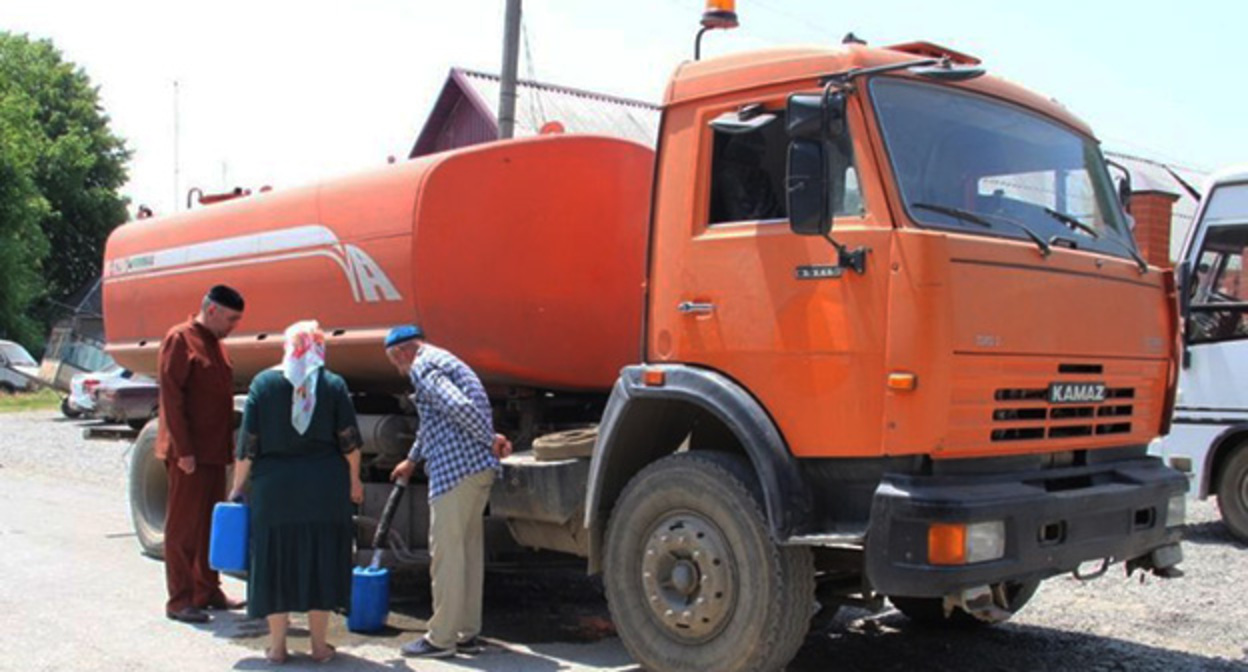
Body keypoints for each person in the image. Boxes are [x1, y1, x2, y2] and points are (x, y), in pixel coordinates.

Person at [228, 321, 364, 664]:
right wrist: (355, 481)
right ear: (319, 348)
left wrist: (236, 487)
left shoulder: (264, 383)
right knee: (323, 558)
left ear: (288, 347)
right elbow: (349, 442)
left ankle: (277, 648)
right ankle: (320, 647)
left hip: (275, 491)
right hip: (324, 489)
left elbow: (247, 447)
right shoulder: (333, 385)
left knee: (274, 561)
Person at [384, 325, 512, 659]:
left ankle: (441, 639)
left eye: (396, 364)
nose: (400, 371)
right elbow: (433, 420)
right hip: (474, 471)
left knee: (446, 556)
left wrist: (490, 438)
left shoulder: (424, 366)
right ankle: (466, 632)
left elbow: (459, 407)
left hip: (456, 473)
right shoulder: (444, 360)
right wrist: (411, 461)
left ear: (402, 353)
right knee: (467, 554)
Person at [158, 284, 247, 624]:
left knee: (209, 525)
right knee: (183, 528)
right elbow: (172, 398)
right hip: (189, 454)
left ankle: (207, 589)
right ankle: (180, 600)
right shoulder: (180, 339)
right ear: (212, 310)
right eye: (231, 318)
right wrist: (183, 450)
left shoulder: (217, 345)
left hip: (213, 451)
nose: (234, 325)